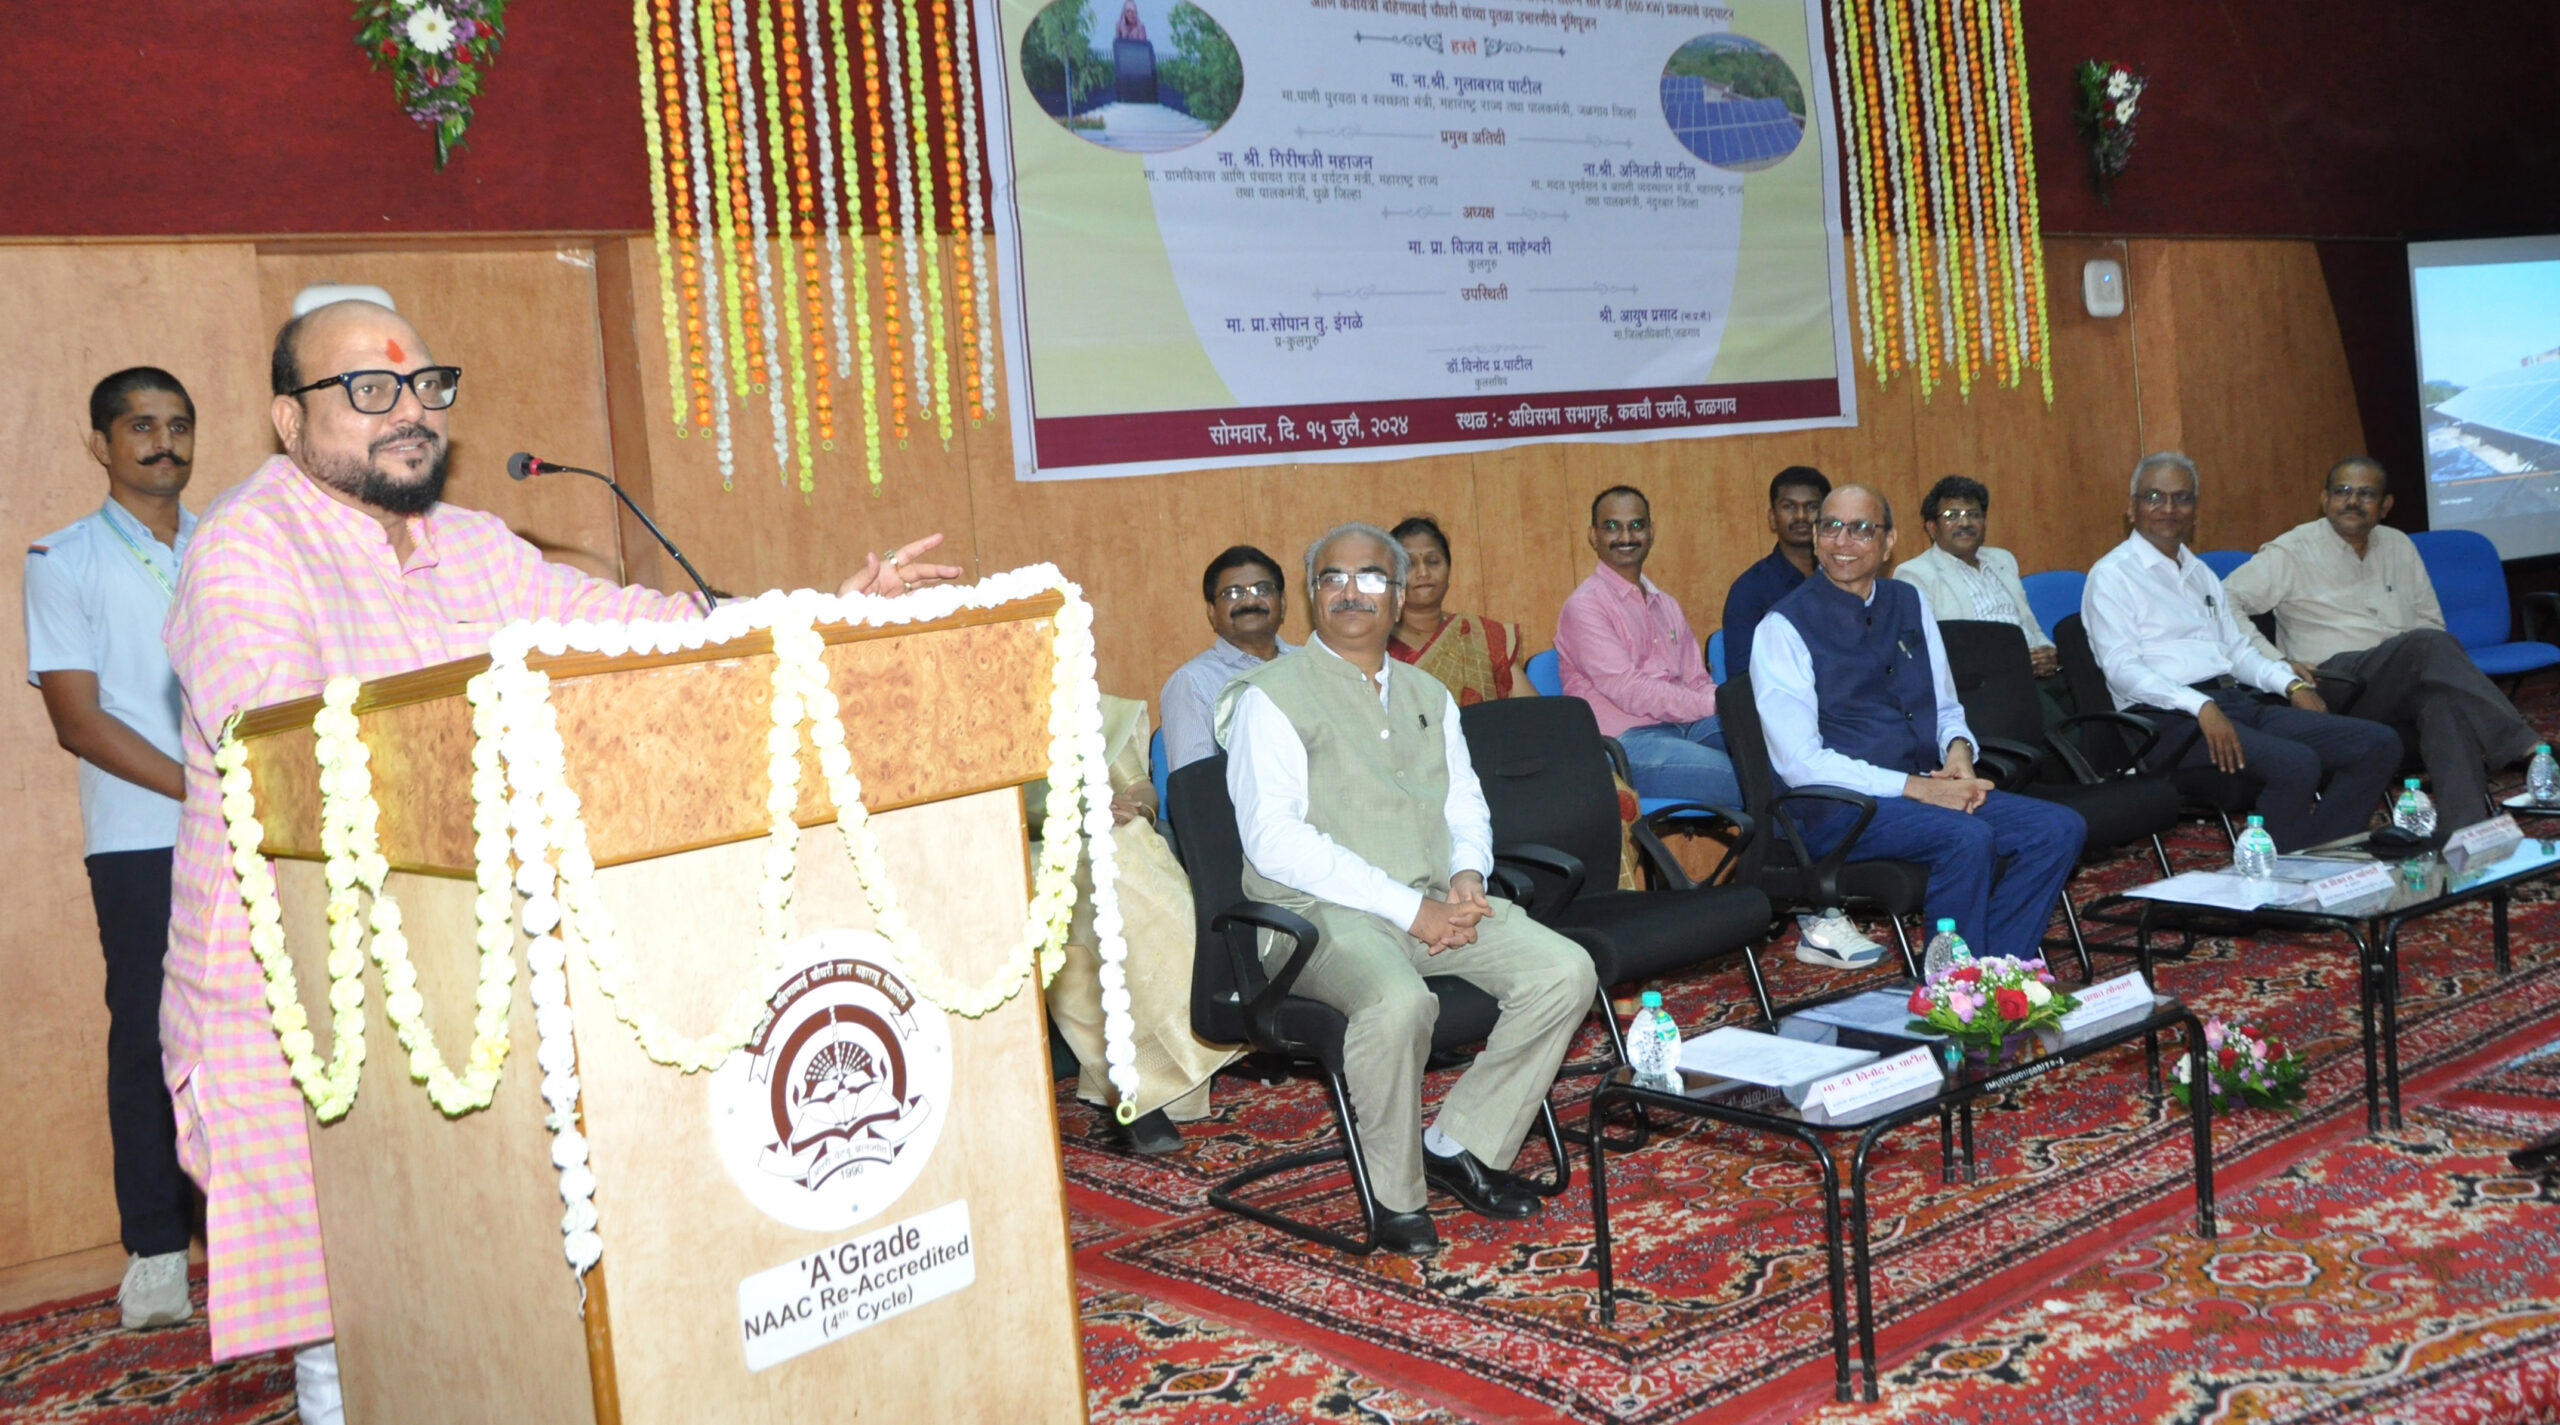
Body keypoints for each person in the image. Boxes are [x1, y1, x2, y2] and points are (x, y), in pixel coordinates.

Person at [160, 298, 959, 1421]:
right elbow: (292, 752)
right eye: (370, 390)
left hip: (459, 978)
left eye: (426, 386)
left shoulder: (476, 545)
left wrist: (819, 611)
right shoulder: (246, 548)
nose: (409, 414)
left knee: (485, 1283)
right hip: (298, 1001)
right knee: (361, 1316)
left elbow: (634, 630)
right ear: (289, 422)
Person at [1215, 523, 1594, 1257]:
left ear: (1396, 598)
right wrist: (1412, 909)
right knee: (1397, 1003)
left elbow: (1463, 803)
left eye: (1370, 578)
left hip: (1430, 897)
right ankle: (1396, 1196)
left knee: (1563, 970)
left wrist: (1467, 877)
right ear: (1312, 595)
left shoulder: (1427, 691)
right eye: (1332, 578)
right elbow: (1275, 842)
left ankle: (1462, 1143)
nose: (1350, 591)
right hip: (1315, 919)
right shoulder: (1270, 696)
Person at [24, 368, 204, 1332]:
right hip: (144, 840)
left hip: (268, 829)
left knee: (275, 1035)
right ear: (101, 443)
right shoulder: (65, 559)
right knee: (148, 1038)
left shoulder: (232, 545)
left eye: (178, 425)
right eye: (141, 426)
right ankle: (158, 1253)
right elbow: (79, 723)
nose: (162, 442)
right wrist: (204, 788)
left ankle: (277, 1232)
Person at [1750, 486, 2089, 964]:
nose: (1843, 541)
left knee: (2057, 828)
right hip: (1837, 808)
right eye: (1831, 527)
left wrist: (1957, 753)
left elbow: (1946, 707)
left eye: (1862, 528)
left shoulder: (1908, 601)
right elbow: (1801, 764)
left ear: (1888, 544)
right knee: (1966, 837)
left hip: (1923, 789)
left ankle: (2001, 971)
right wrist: (1918, 789)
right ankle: (1952, 989)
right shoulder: (1782, 627)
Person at [1560, 484, 1881, 966]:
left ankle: (1803, 894)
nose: (1625, 536)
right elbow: (1633, 692)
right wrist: (1718, 702)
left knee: (1784, 754)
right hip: (1627, 745)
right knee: (1752, 777)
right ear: (1593, 536)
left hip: (1686, 726)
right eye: (1612, 527)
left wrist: (1716, 702)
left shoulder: (1663, 602)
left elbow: (1695, 675)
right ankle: (1816, 912)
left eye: (1636, 525)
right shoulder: (1584, 607)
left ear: (1651, 531)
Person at [2084, 452, 2401, 851]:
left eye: (2181, 498)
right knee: (2296, 763)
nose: (2168, 509)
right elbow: (2121, 670)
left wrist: (2290, 687)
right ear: (2132, 509)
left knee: (2377, 743)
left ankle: (2320, 855)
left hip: (2233, 703)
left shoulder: (2199, 574)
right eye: (2154, 497)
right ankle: (2285, 880)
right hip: (2166, 722)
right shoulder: (2112, 575)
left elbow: (2238, 652)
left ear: (2195, 511)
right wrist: (2198, 706)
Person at [2223, 456, 2538, 831]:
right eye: (2342, 491)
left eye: (2366, 493)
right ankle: (2524, 746)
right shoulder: (2292, 550)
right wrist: (2277, 663)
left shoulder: (2399, 545)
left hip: (2397, 676)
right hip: (2331, 681)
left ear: (2385, 506)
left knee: (2441, 703)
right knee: (2426, 645)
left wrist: (2414, 660)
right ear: (2324, 500)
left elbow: (2430, 621)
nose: (2352, 501)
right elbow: (2224, 602)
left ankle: (2467, 834)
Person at [1047, 694, 1239, 1154]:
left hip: (1110, 842)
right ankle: (1135, 1086)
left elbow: (1140, 786)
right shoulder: (972, 713)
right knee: (1106, 867)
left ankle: (1154, 1071)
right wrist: (1074, 816)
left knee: (1126, 848)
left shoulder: (1087, 704)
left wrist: (1134, 809)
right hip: (1031, 847)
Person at [1891, 474, 2074, 733]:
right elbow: (1933, 653)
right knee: (2062, 731)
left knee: (2092, 690)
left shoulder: (2003, 560)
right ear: (1931, 527)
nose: (1964, 522)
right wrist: (2018, 663)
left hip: (2040, 673)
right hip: (1988, 684)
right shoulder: (1915, 574)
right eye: (1952, 515)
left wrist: (2049, 653)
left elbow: (2029, 623)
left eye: (1973, 514)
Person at [1161, 544, 1296, 770]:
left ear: (1282, 604)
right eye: (1233, 593)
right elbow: (1196, 788)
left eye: (1262, 589)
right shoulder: (1192, 683)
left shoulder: (1314, 664)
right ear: (1212, 612)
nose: (1250, 602)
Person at [1387, 514, 1524, 704]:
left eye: (1433, 561)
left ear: (1449, 570)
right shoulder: (1378, 645)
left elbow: (1535, 716)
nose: (1423, 572)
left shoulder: (1483, 636)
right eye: (1409, 564)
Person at [1720, 464, 1831, 681]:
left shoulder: (1846, 578)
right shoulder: (1749, 590)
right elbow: (1743, 677)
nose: (1801, 516)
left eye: (1811, 507)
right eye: (1789, 506)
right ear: (1772, 517)